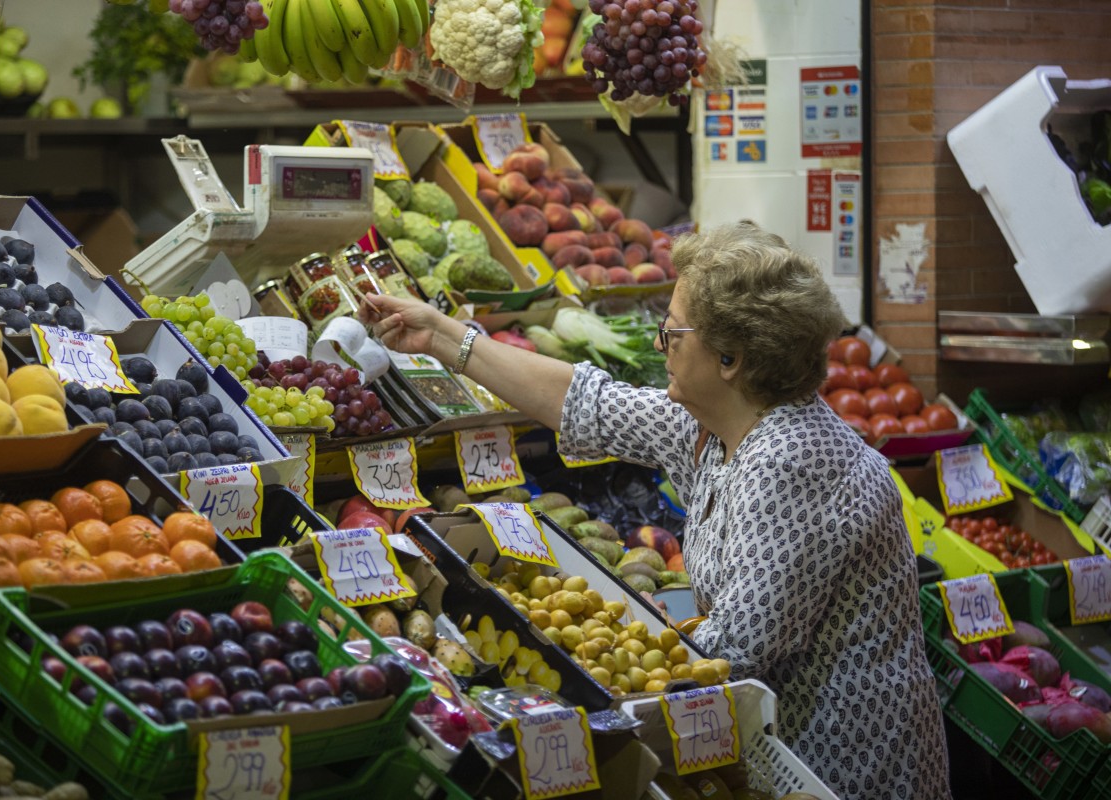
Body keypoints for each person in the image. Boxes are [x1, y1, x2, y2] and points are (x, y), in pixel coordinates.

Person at [362, 221, 951, 800]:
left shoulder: (790, 464)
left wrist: (594, 686)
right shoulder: (720, 423)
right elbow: (584, 403)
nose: (660, 345)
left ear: (729, 358)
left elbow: (730, 655)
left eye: (672, 334)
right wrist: (441, 336)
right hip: (769, 744)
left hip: (836, 764)